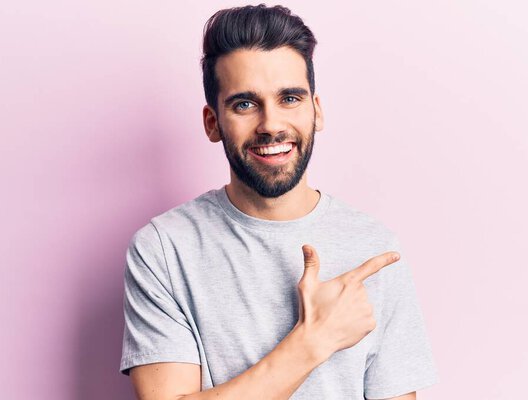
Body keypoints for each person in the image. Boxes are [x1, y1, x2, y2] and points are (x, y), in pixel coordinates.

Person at [119, 4, 439, 399]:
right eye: (245, 104)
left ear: (316, 111)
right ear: (212, 122)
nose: (271, 124)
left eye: (289, 98)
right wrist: (312, 342)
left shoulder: (373, 247)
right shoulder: (164, 249)